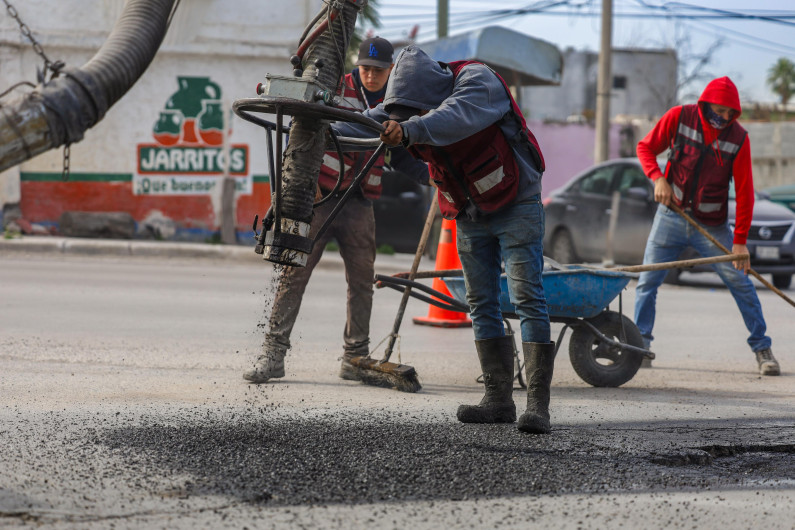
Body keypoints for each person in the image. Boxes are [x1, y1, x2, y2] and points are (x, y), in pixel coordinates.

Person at [332, 45, 555, 434]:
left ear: (430, 94)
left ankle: (537, 407)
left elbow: (454, 119)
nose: (409, 119)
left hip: (517, 203)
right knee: (481, 304)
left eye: (415, 113)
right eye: (405, 114)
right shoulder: (406, 108)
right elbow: (362, 123)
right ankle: (498, 400)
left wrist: (411, 130)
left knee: (526, 298)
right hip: (469, 211)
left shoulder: (477, 81)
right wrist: (315, 123)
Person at [244, 36, 429, 384]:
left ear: (391, 71)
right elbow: (300, 135)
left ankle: (355, 356)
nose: (372, 76)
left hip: (359, 205)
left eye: (379, 70)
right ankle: (273, 354)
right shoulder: (332, 90)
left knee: (361, 281)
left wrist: (435, 178)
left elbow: (403, 156)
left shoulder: (396, 104)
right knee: (293, 273)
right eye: (366, 69)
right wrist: (298, 184)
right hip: (319, 196)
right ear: (356, 67)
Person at [634, 76, 780, 376]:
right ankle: (640, 346)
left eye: (731, 113)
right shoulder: (679, 117)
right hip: (670, 217)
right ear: (706, 103)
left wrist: (739, 241)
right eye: (720, 111)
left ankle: (762, 349)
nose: (724, 118)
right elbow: (645, 148)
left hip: (713, 227)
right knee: (648, 282)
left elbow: (745, 192)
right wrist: (658, 178)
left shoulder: (739, 138)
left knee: (741, 283)